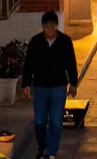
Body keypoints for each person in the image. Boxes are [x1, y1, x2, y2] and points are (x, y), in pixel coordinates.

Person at [22, 11, 78, 159]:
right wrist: (26, 84)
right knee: (40, 121)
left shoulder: (65, 41)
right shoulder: (36, 42)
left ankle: (51, 152)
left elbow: (71, 63)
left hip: (59, 86)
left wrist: (73, 83)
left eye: (51, 27)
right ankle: (42, 146)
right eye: (46, 27)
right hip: (40, 86)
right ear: (43, 27)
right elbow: (28, 64)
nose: (49, 30)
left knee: (56, 121)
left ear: (56, 26)